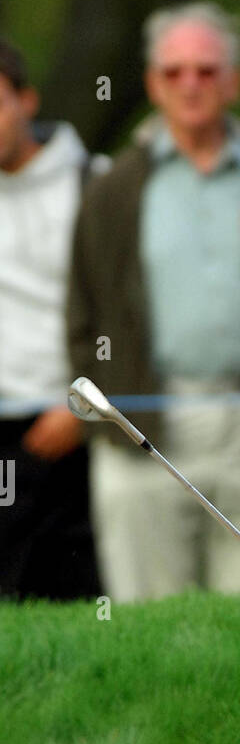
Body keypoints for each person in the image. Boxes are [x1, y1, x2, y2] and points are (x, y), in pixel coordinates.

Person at [67, 2, 240, 603]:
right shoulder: (113, 188)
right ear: (153, 84)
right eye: (174, 72)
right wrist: (105, 408)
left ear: (233, 82)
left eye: (207, 71)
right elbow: (82, 310)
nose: (190, 85)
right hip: (142, 421)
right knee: (148, 618)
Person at [0, 38, 104, 600]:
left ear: (27, 100)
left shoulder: (90, 183)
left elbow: (121, 309)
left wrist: (80, 402)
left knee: (73, 597)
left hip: (71, 423)